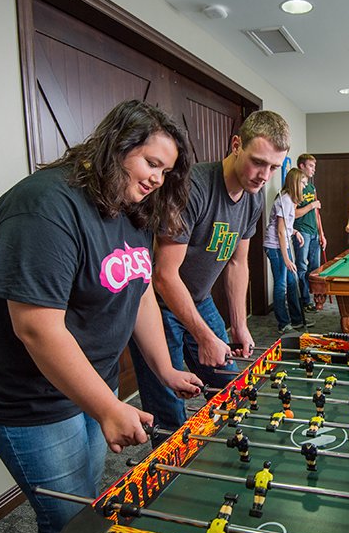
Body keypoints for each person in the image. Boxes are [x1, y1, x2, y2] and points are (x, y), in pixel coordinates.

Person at [0, 100, 203, 533]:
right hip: (29, 399)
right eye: (152, 163)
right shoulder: (44, 205)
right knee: (67, 525)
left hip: (91, 383)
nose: (157, 179)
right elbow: (36, 326)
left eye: (165, 171)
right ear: (115, 146)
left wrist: (164, 367)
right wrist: (109, 408)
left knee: (88, 504)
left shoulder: (132, 206)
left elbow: (140, 289)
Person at [129, 110, 290, 434]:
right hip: (156, 309)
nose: (264, 175)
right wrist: (204, 336)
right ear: (235, 145)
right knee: (170, 409)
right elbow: (163, 276)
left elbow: (237, 263)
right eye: (258, 162)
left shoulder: (252, 199)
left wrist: (240, 325)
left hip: (199, 300)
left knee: (233, 387)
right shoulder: (194, 188)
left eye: (274, 167)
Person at [264, 168, 314, 333]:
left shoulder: (290, 200)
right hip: (275, 246)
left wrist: (295, 231)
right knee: (282, 284)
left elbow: (286, 227)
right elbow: (279, 231)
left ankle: (297, 320)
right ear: (295, 183)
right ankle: (283, 324)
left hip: (282, 243)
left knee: (292, 282)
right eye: (303, 183)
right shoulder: (285, 199)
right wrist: (286, 259)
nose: (305, 186)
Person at [291, 154, 327, 312]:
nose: (314, 170)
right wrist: (311, 205)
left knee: (315, 269)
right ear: (301, 166)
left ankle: (316, 299)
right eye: (311, 166)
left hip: (314, 233)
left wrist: (322, 234)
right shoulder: (295, 188)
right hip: (302, 232)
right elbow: (294, 214)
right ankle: (305, 301)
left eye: (314, 166)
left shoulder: (312, 188)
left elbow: (317, 214)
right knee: (302, 268)